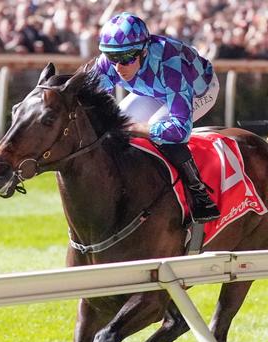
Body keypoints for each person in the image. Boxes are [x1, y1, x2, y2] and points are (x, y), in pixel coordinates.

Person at [93, 12, 220, 223]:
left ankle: (199, 194)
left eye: (126, 58)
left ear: (143, 50)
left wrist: (141, 129)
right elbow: (86, 95)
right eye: (112, 57)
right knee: (114, 128)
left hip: (198, 91)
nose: (118, 66)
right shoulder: (111, 61)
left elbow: (180, 130)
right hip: (154, 91)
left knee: (158, 132)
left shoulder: (172, 65)